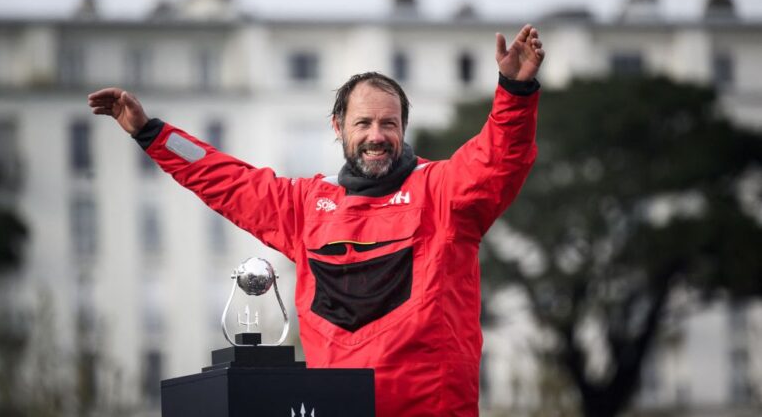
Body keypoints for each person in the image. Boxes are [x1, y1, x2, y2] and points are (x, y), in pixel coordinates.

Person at [89, 24, 544, 416]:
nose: (376, 136)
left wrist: (515, 94)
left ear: (404, 128)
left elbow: (498, 160)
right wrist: (152, 133)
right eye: (363, 123)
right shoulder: (307, 205)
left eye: (389, 124)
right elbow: (227, 180)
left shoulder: (442, 192)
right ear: (337, 127)